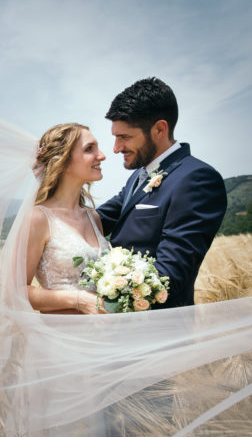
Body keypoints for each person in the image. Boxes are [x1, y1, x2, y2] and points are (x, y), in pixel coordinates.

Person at [97, 77, 227, 308]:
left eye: (124, 137)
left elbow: (170, 274)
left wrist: (99, 297)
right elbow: (96, 219)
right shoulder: (139, 176)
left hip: (159, 329)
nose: (116, 149)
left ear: (159, 128)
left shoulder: (197, 179)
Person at [26, 123, 109, 315]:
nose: (102, 155)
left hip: (103, 336)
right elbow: (15, 292)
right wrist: (79, 300)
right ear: (63, 161)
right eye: (90, 149)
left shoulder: (93, 217)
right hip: (61, 337)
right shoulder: (39, 218)